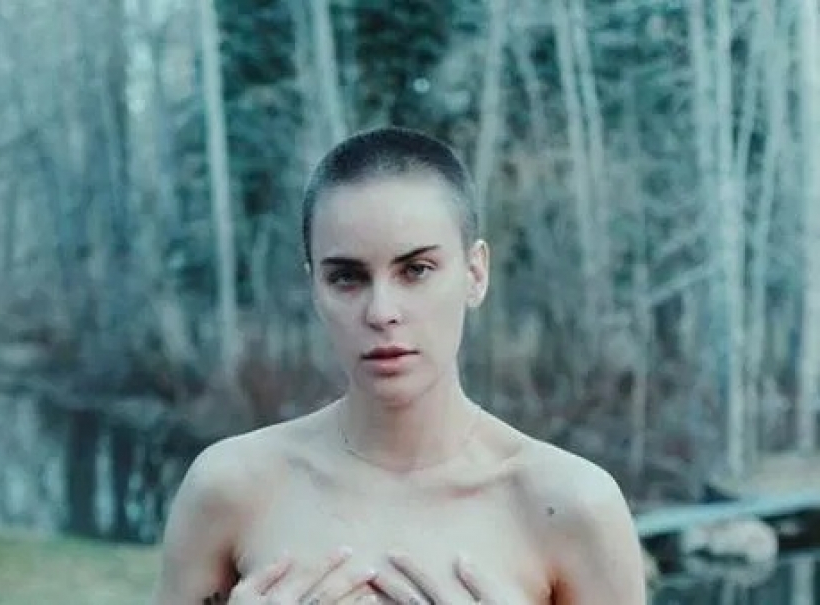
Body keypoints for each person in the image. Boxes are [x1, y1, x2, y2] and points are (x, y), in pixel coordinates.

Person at [151, 127, 646, 604]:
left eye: (416, 270)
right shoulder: (230, 489)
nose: (381, 311)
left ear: (475, 273)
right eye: (347, 277)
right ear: (314, 287)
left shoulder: (571, 506)